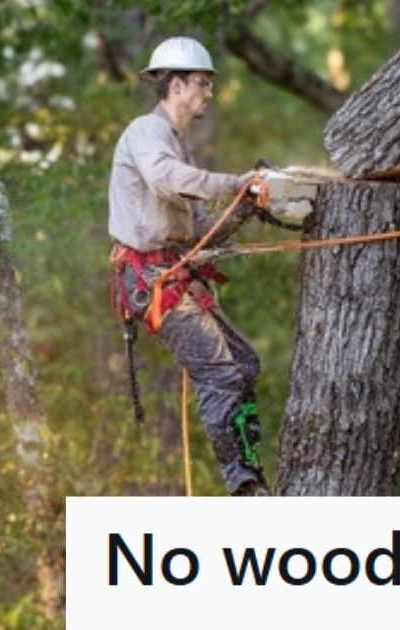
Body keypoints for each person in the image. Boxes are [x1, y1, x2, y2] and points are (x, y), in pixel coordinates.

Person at [108, 36, 269, 496]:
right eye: (202, 83)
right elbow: (165, 180)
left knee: (244, 363)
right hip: (151, 278)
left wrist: (244, 205)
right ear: (175, 85)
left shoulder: (178, 147)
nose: (209, 92)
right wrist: (234, 183)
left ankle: (251, 472)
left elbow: (200, 230)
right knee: (219, 374)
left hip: (173, 273)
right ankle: (244, 488)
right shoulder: (147, 132)